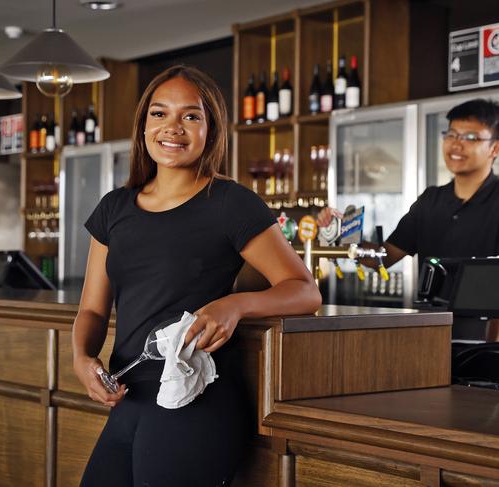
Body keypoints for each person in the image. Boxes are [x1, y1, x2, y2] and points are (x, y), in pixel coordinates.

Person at [72, 65, 321, 487]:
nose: (173, 128)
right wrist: (81, 359)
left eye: (191, 116)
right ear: (143, 126)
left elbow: (304, 291)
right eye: (159, 114)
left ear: (211, 130)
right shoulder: (114, 208)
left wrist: (236, 305)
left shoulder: (230, 203)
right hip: (129, 396)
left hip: (197, 399)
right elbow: (93, 310)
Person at [318, 99, 499, 342]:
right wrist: (341, 235)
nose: (456, 144)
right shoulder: (430, 201)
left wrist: (493, 354)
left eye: (470, 137)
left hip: (486, 341)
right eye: (451, 134)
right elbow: (385, 257)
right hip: (432, 335)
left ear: (495, 148)